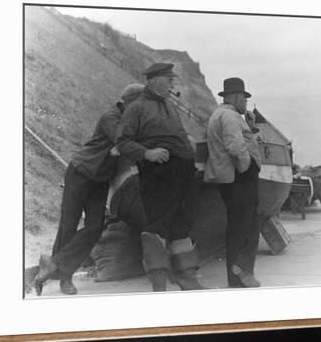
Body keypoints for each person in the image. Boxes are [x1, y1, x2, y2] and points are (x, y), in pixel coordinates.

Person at [33, 83, 145, 296]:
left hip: (100, 179)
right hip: (81, 173)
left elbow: (127, 144)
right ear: (130, 102)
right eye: (141, 104)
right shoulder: (110, 117)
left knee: (94, 227)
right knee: (69, 224)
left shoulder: (128, 119)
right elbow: (124, 141)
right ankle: (65, 278)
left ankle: (53, 264)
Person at [115, 62, 205, 292]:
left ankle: (187, 278)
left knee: (182, 224)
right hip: (158, 174)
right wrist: (147, 153)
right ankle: (159, 284)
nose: (173, 82)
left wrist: (187, 141)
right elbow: (122, 141)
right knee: (158, 225)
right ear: (154, 80)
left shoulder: (170, 106)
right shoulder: (136, 108)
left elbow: (177, 132)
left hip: (182, 171)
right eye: (169, 78)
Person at [204, 77, 262, 288]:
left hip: (232, 177)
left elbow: (240, 140)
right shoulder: (229, 116)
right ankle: (239, 270)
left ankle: (239, 273)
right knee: (246, 224)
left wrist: (250, 127)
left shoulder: (222, 114)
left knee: (243, 224)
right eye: (244, 98)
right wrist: (247, 167)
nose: (245, 103)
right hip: (239, 177)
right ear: (236, 97)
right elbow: (235, 146)